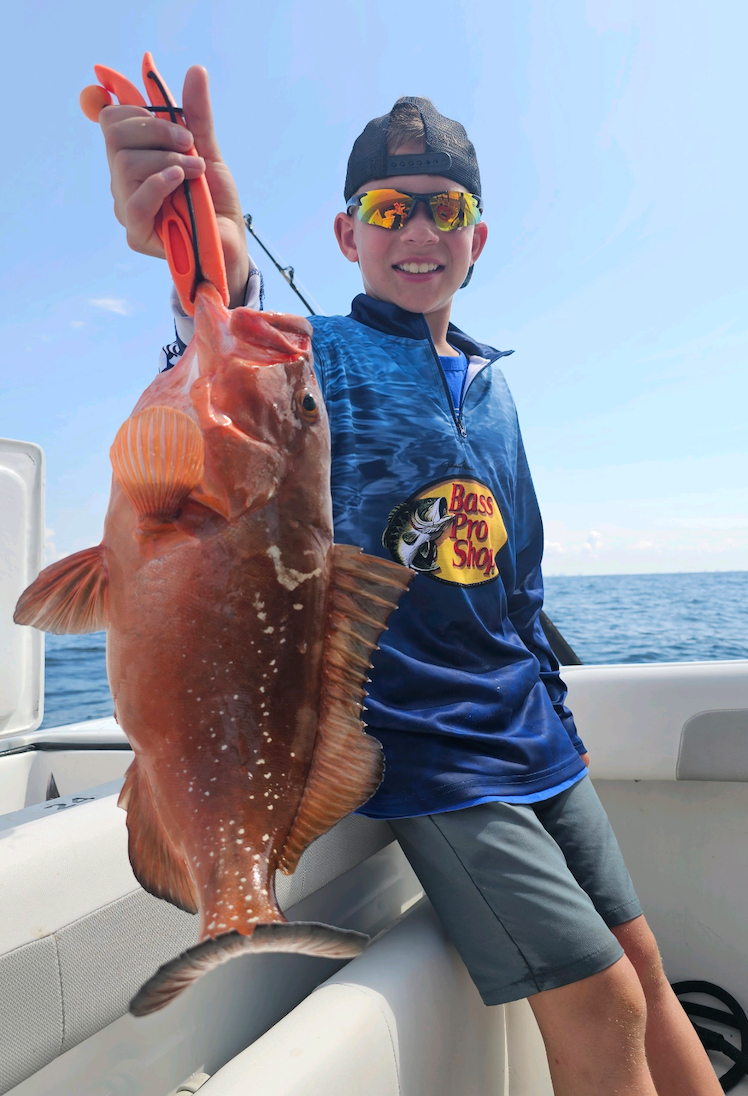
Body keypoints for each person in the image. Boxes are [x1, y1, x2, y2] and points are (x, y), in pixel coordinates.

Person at [98, 67, 722, 1096]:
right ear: (348, 237)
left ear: (477, 236)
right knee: (602, 1001)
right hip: (439, 762)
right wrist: (208, 241)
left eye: (446, 208)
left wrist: (553, 716)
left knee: (648, 969)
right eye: (390, 209)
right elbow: (239, 357)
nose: (418, 229)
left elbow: (519, 591)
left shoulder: (494, 386)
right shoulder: (322, 358)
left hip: (537, 739)